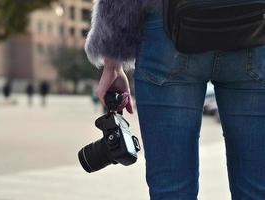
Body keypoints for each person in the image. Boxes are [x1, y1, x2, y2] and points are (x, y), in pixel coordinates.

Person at [84, 1, 265, 200]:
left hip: (166, 30)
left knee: (172, 192)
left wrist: (113, 63)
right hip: (255, 25)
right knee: (257, 190)